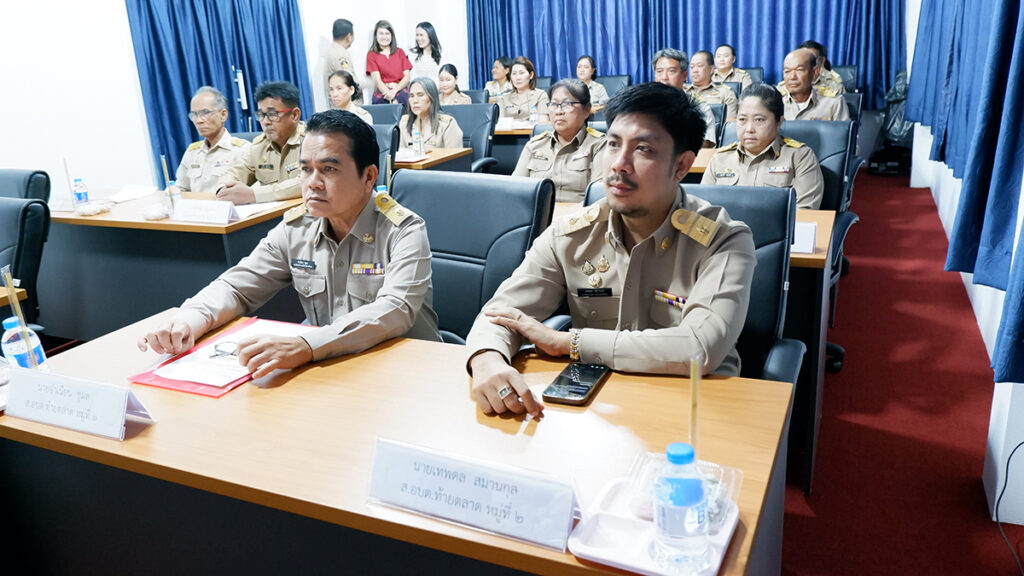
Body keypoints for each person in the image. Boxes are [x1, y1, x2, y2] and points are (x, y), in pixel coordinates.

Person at [465, 82, 756, 417]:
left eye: (643, 149)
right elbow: (501, 312)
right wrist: (487, 359)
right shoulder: (571, 234)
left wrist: (569, 343)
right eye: (613, 144)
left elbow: (699, 348)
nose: (619, 164)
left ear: (681, 166)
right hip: (601, 408)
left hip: (697, 407)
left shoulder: (723, 240)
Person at [139, 109, 441, 375]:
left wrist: (306, 345)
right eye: (306, 169)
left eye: (329, 169)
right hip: (331, 367)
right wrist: (190, 319)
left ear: (369, 177)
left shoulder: (404, 230)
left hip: (404, 371)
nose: (313, 183)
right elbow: (236, 286)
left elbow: (395, 309)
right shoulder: (296, 228)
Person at [702, 83, 824, 209]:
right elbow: (703, 209)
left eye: (759, 120)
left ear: (779, 122)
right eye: (742, 119)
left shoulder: (800, 157)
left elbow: (803, 212)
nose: (749, 129)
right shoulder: (720, 158)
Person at [513, 79, 605, 203]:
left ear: (586, 110)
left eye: (567, 104)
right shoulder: (534, 145)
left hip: (579, 214)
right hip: (538, 214)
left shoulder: (599, 146)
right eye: (554, 104)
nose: (559, 111)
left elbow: (599, 201)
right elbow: (515, 192)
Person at [216, 81, 305, 204]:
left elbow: (305, 182)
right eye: (261, 115)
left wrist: (253, 195)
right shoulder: (258, 146)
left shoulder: (312, 140)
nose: (265, 122)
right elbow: (234, 172)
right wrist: (223, 190)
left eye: (272, 114)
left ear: (295, 115)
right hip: (272, 213)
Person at [175, 86, 249, 193]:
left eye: (205, 113)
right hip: (196, 204)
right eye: (194, 115)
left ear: (223, 115)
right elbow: (181, 188)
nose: (198, 120)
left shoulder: (242, 150)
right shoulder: (192, 152)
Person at [652, 48, 717, 147]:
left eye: (671, 71)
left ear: (684, 75)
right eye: (659, 71)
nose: (664, 77)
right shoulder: (643, 104)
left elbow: (704, 144)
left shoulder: (699, 107)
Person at [778, 49, 850, 121]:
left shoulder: (834, 102)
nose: (792, 77)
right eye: (787, 71)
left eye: (799, 70)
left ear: (814, 72)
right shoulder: (776, 101)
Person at [399, 77, 464, 150]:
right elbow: (401, 154)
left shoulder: (447, 124)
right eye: (411, 96)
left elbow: (455, 156)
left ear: (431, 98)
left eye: (420, 95)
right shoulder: (404, 123)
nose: (415, 101)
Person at [366, 20, 412, 104]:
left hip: (400, 90)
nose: (384, 37)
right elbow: (377, 80)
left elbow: (407, 77)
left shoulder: (400, 52)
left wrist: (394, 91)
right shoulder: (371, 55)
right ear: (376, 36)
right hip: (382, 93)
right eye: (381, 33)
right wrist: (389, 94)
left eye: (387, 33)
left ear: (391, 36)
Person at [684, 50, 738, 121]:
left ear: (711, 69)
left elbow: (730, 124)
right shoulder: (682, 92)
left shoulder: (726, 93)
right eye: (691, 67)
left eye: (699, 66)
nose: (695, 70)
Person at [324, 18, 362, 105]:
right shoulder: (340, 55)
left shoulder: (332, 50)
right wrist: (371, 82)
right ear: (349, 37)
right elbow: (350, 81)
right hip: (346, 106)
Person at [500, 56, 549, 122]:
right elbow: (500, 123)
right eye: (514, 74)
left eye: (521, 73)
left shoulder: (540, 95)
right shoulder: (504, 98)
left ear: (531, 75)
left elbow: (543, 122)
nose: (518, 78)